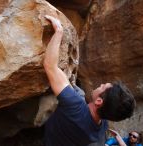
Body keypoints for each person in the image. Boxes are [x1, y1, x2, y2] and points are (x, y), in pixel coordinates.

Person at [43, 15, 136, 146]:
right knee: (79, 92)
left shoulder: (74, 105)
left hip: (49, 138)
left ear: (98, 101)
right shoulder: (102, 126)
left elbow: (50, 66)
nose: (102, 84)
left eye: (103, 87)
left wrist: (58, 30)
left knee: (77, 93)